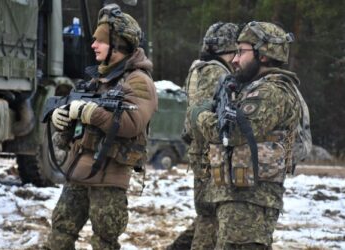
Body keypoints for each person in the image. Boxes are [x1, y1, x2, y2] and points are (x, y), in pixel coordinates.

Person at [46, 4, 157, 250]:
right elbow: (79, 119)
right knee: (59, 234)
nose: (93, 45)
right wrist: (61, 120)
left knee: (104, 242)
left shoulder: (139, 81)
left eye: (100, 41)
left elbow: (131, 123)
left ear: (118, 45)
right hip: (78, 173)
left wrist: (90, 113)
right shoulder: (98, 79)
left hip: (109, 178)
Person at [189, 21, 304, 249]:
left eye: (241, 52)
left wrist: (200, 115)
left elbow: (234, 133)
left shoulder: (271, 92)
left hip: (251, 203)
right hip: (239, 199)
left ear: (263, 54)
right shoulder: (252, 88)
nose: (234, 59)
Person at [167, 22, 239, 250]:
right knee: (210, 218)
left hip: (202, 153)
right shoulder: (216, 72)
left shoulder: (199, 69)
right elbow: (207, 117)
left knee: (206, 216)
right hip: (211, 155)